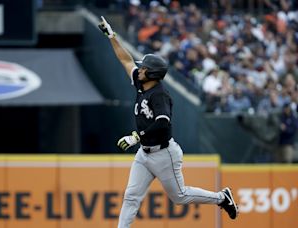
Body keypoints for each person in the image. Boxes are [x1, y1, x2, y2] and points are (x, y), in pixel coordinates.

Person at [98, 16, 238, 228]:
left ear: (152, 74)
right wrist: (112, 37)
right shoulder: (141, 83)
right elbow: (126, 60)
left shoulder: (159, 95)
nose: (140, 69)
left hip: (164, 154)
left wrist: (136, 136)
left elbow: (163, 124)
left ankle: (222, 197)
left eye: (144, 68)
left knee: (179, 196)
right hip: (145, 153)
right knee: (131, 197)